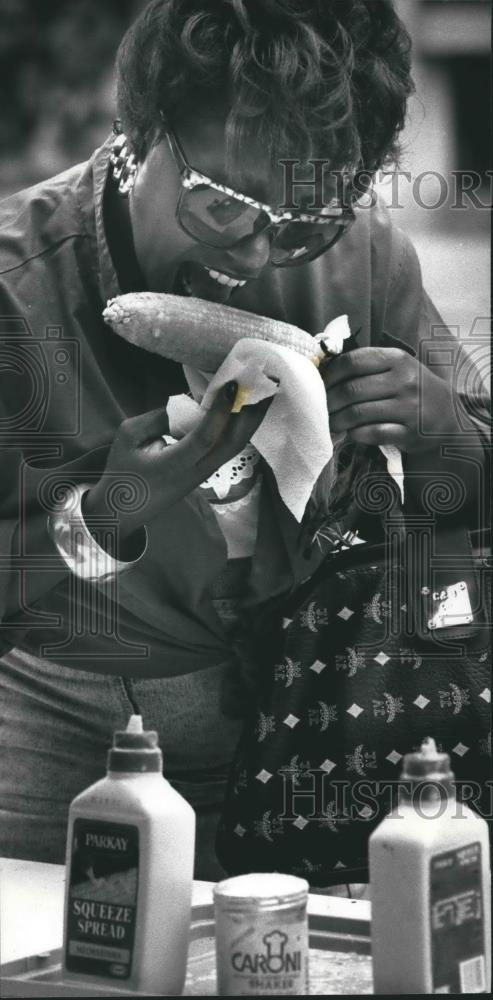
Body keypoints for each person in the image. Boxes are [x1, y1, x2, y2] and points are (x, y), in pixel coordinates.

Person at [0, 0, 489, 885]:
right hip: (50, 758)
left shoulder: (369, 261)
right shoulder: (16, 289)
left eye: (306, 219)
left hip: (302, 735)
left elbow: (469, 497)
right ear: (135, 132)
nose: (261, 256)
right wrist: (107, 515)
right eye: (222, 207)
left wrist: (450, 438)